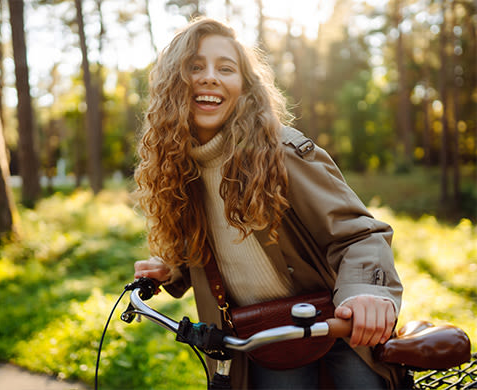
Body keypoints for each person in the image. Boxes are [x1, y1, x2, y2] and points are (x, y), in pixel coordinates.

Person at [133, 17, 403, 389]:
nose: (210, 77)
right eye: (195, 67)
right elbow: (206, 247)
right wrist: (171, 271)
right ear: (171, 85)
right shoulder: (179, 168)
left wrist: (366, 292)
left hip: (336, 325)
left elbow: (359, 235)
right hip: (268, 336)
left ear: (244, 87)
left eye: (225, 68)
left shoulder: (281, 152)